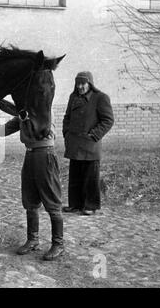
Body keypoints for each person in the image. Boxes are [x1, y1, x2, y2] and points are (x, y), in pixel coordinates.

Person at [0, 100, 64, 261]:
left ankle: (58, 244)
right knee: (30, 200)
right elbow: (4, 130)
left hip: (45, 154)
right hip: (30, 155)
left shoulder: (43, 109)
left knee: (52, 201)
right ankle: (33, 239)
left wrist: (6, 105)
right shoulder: (23, 113)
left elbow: (38, 125)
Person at [62, 71, 114, 216]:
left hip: (90, 145)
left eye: (83, 83)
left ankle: (90, 206)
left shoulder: (101, 98)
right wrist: (66, 133)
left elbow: (108, 120)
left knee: (90, 177)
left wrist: (94, 134)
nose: (80, 87)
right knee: (75, 176)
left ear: (90, 84)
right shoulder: (73, 97)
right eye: (78, 83)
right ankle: (75, 205)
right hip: (74, 144)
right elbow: (67, 117)